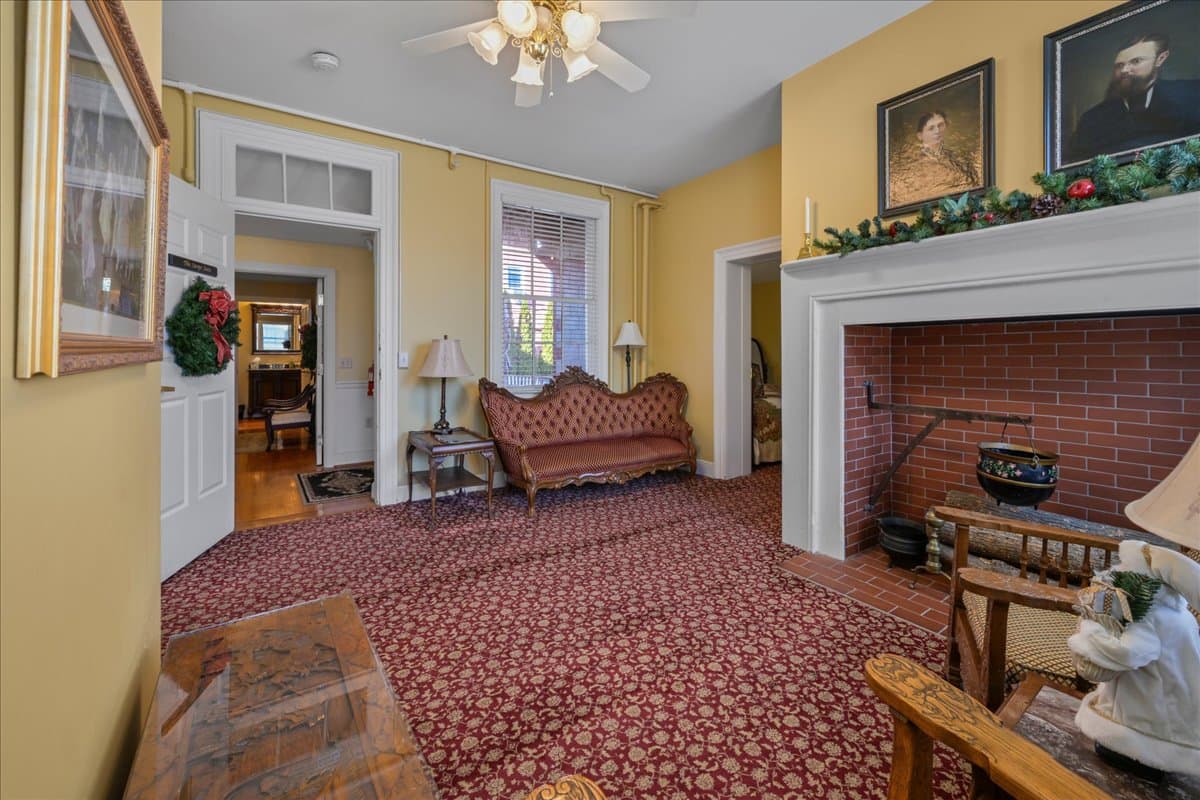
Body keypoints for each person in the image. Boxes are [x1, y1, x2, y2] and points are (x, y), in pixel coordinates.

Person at [1065, 33, 1200, 164]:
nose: (1124, 70)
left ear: (1160, 59)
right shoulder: (1092, 118)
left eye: (1136, 61)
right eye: (1120, 65)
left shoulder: (1192, 94)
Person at [888, 110, 980, 208]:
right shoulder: (908, 164)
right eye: (931, 128)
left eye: (940, 125)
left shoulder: (959, 158)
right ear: (920, 135)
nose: (937, 131)